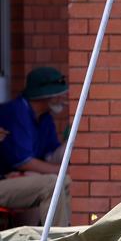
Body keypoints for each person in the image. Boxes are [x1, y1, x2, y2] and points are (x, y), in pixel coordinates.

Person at [0, 67, 71, 226]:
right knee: (54, 182)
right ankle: (59, 237)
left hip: (14, 179)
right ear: (44, 95)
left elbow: (50, 155)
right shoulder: (15, 112)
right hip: (7, 180)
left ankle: (64, 232)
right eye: (58, 93)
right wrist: (60, 170)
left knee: (62, 180)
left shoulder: (45, 117)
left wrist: (76, 142)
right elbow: (23, 161)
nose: (64, 97)